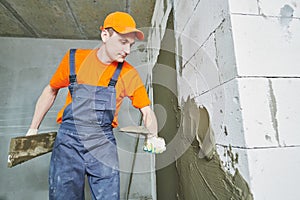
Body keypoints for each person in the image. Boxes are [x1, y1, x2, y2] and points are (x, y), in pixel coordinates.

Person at [26, 11, 165, 200]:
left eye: (131, 45)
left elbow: (147, 111)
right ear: (105, 35)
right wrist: (33, 129)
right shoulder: (74, 59)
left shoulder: (128, 73)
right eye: (123, 42)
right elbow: (50, 90)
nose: (128, 50)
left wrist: (153, 136)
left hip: (103, 143)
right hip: (68, 142)